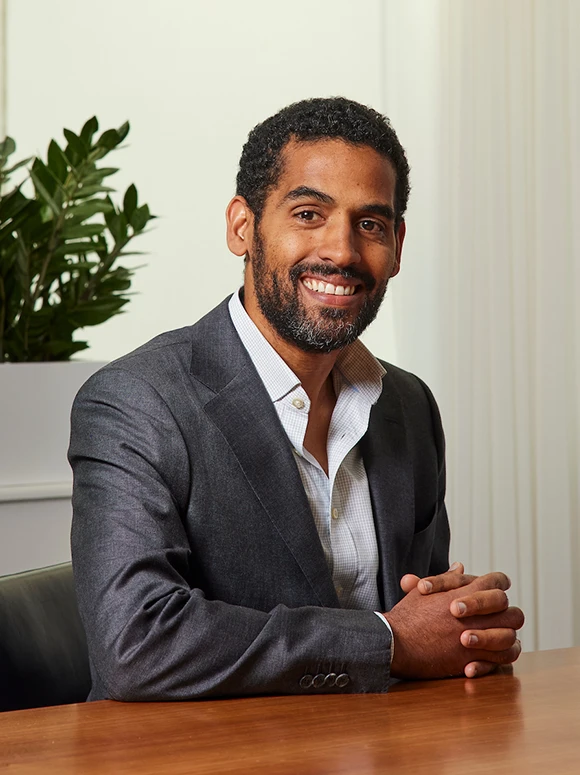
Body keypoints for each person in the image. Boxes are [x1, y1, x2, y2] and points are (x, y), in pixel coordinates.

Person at [69, 97, 524, 701]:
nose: (342, 251)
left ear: (397, 244)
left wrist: (465, 628)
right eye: (309, 214)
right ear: (242, 227)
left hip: (385, 743)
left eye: (371, 224)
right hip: (201, 749)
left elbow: (424, 623)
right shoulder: (136, 402)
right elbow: (137, 643)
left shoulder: (408, 406)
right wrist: (389, 641)